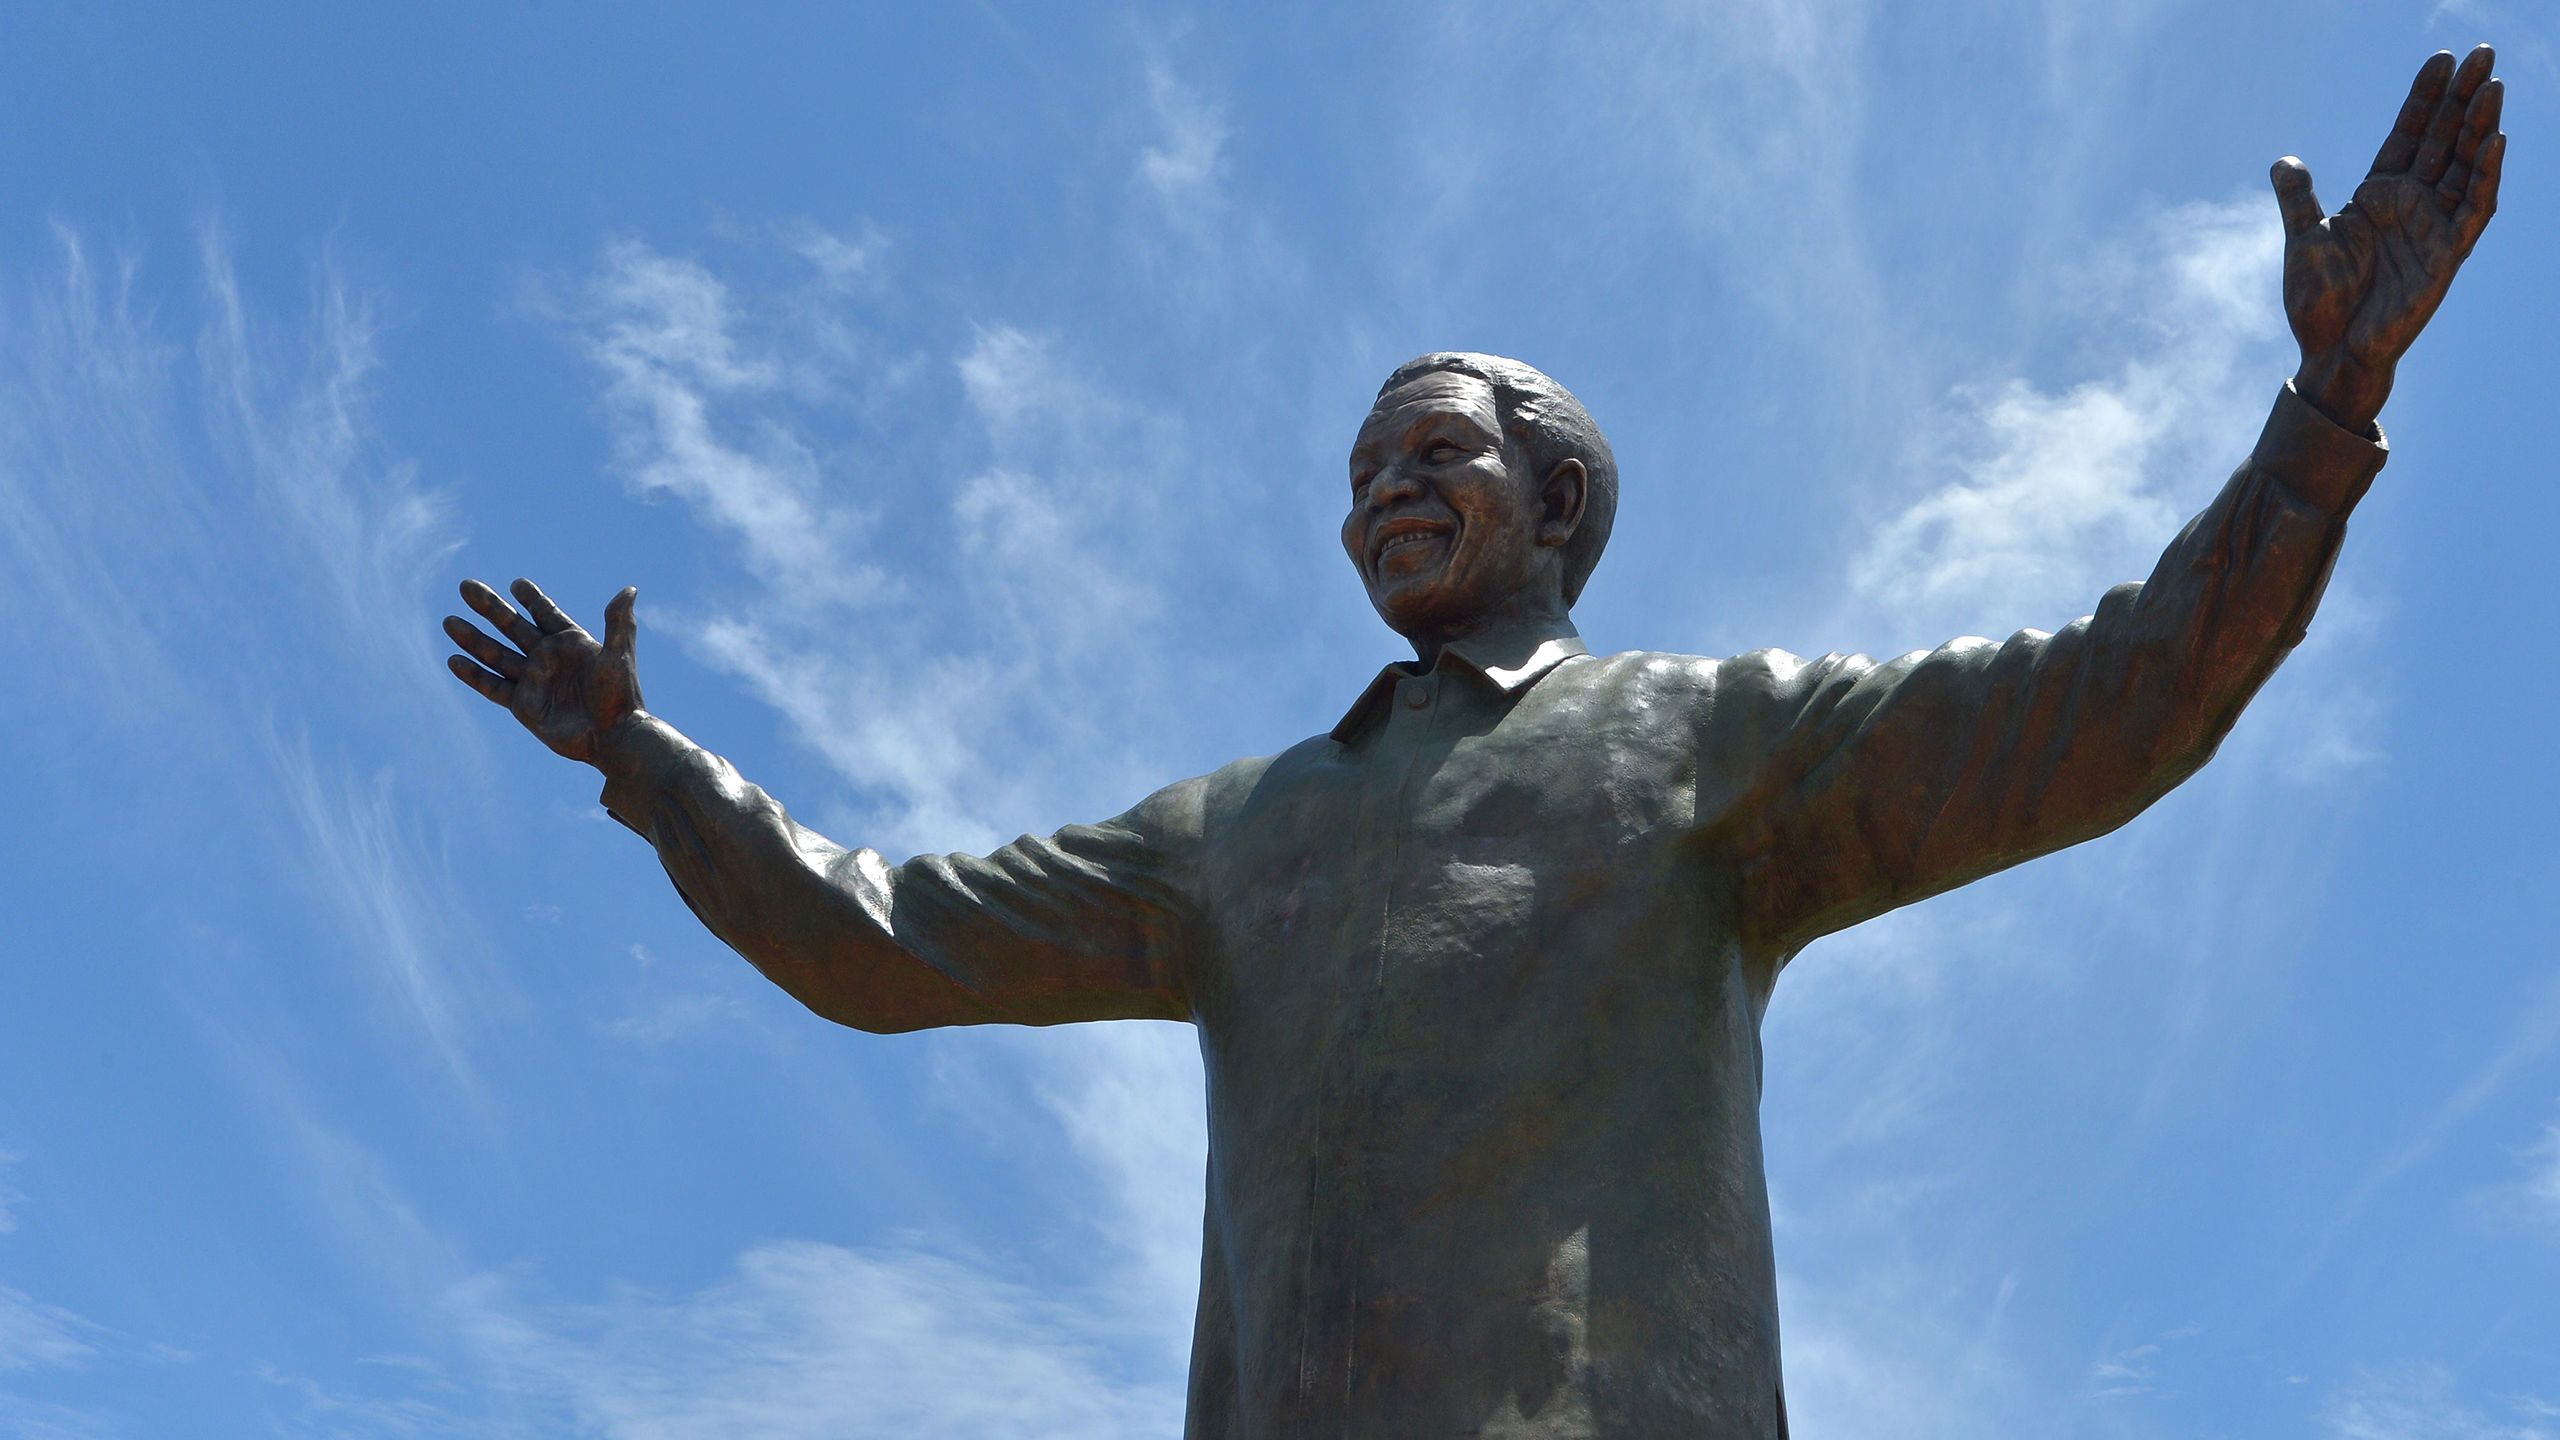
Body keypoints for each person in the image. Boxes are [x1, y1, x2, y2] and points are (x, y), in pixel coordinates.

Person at [444, 48, 2504, 1439]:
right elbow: (879, 941)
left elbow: (2111, 703)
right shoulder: (1228, 839)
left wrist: (2317, 419)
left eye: (1429, 454)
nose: (1378, 498)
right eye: (1357, 473)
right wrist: (643, 763)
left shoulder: (1703, 747)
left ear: (1556, 502)